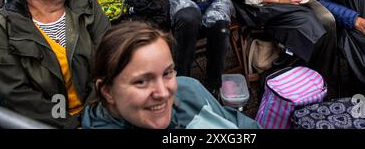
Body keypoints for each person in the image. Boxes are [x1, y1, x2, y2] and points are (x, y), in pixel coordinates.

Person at [0, 0, 110, 128]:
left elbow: (110, 62)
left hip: (98, 112)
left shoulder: (87, 7)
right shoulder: (3, 28)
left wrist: (89, 115)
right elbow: (18, 93)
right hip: (43, 121)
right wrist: (69, 123)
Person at [81, 21, 260, 129]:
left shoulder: (188, 88)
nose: (164, 93)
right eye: (142, 81)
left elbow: (239, 123)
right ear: (108, 92)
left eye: (167, 73)